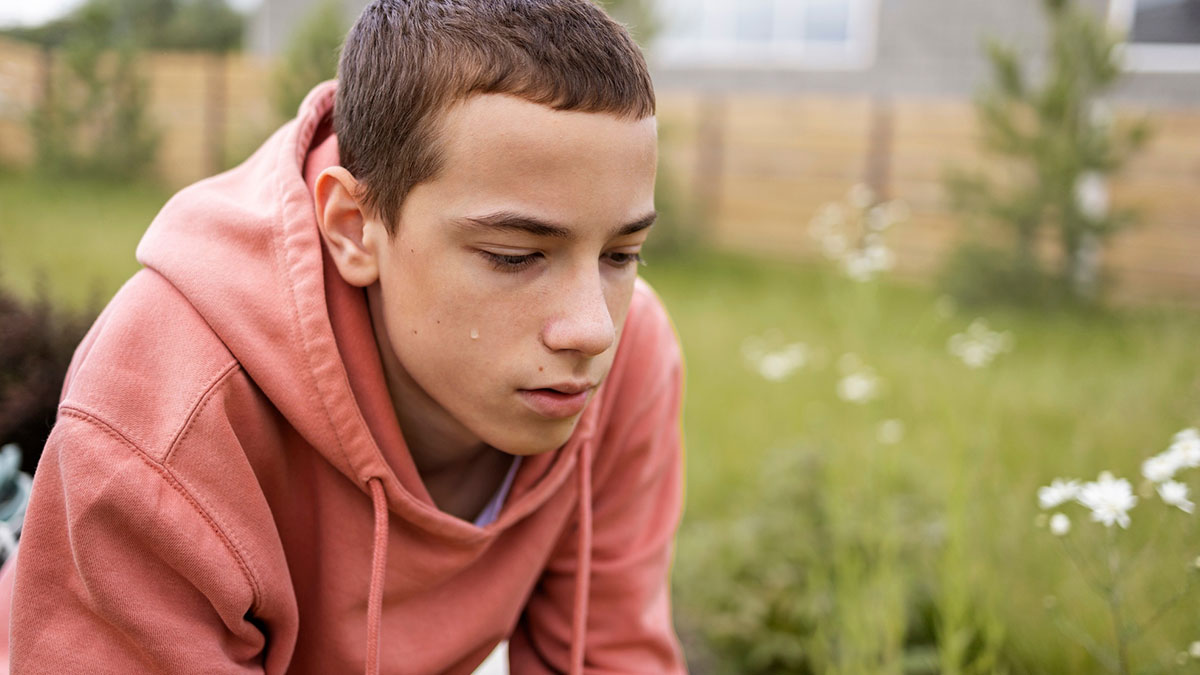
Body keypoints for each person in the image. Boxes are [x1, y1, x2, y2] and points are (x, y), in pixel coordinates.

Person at [0, 1, 687, 673]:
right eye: (515, 254)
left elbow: (613, 654)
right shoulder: (168, 412)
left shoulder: (631, 357)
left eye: (621, 255)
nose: (594, 328)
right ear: (353, 228)